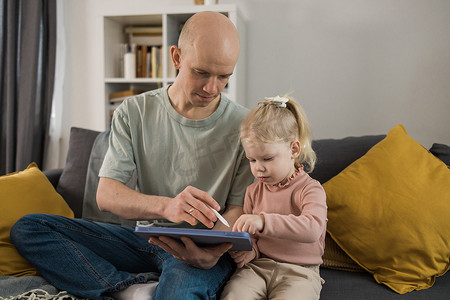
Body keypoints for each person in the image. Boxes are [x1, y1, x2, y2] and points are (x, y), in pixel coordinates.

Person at [11, 11, 254, 300]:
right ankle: (130, 289)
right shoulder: (134, 112)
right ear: (176, 58)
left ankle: (129, 289)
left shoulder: (247, 126)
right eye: (201, 72)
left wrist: (214, 253)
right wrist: (167, 207)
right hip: (146, 239)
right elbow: (107, 195)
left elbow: (237, 209)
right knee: (29, 228)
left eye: (223, 76)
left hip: (201, 249)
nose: (212, 88)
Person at [220, 96, 327, 300]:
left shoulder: (310, 190)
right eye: (252, 159)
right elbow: (254, 238)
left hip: (300, 272)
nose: (258, 167)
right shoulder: (253, 191)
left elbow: (312, 229)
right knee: (233, 294)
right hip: (258, 268)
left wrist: (263, 220)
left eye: (267, 158)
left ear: (293, 149)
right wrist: (250, 250)